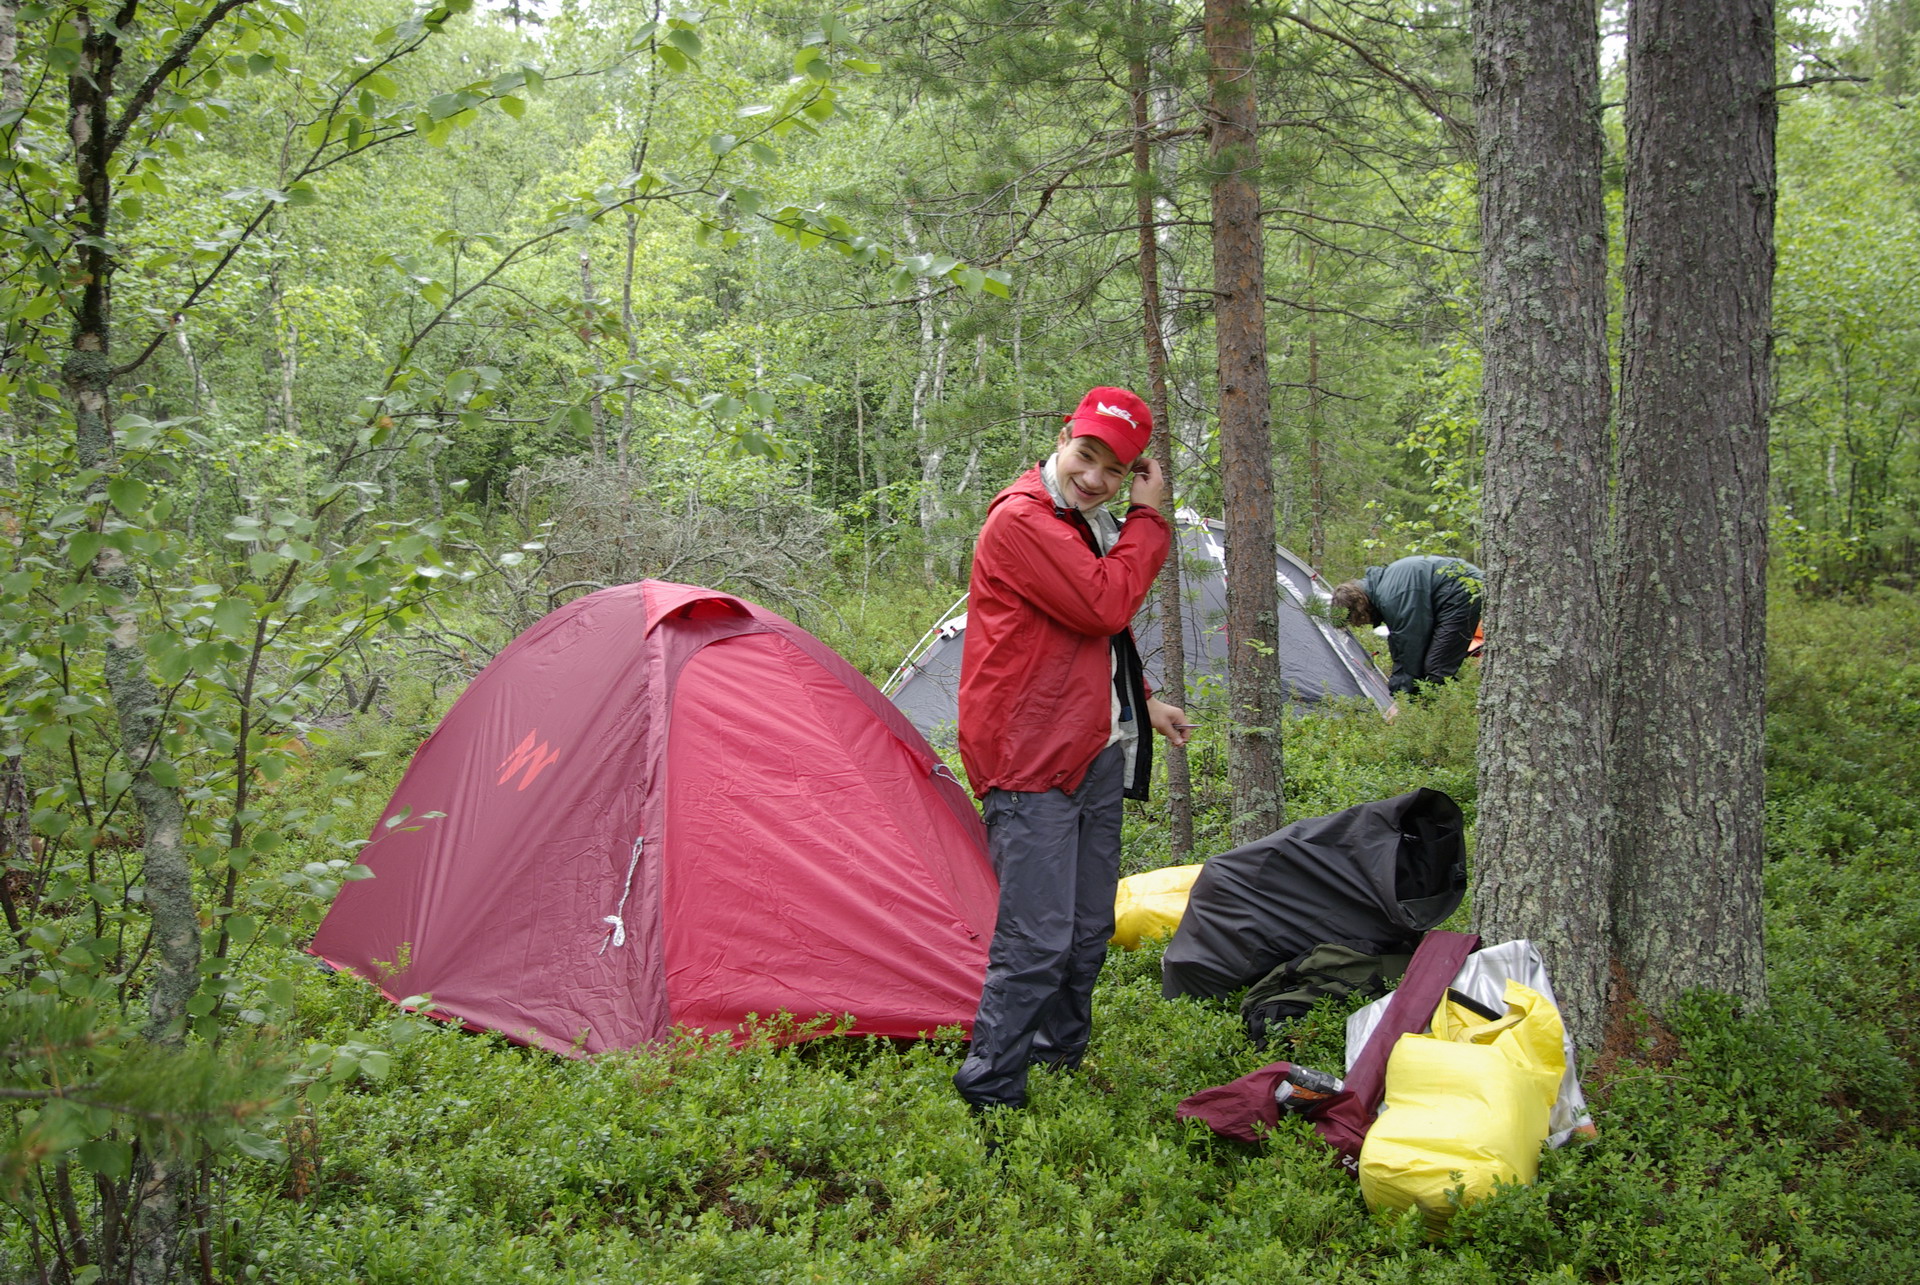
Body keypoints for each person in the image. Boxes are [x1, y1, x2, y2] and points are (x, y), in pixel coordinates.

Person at [952, 386, 1191, 1112]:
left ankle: (1057, 1058)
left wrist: (1142, 698)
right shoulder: (1022, 519)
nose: (1095, 477)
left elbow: (1087, 633)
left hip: (1092, 746)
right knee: (1037, 938)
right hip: (1029, 756)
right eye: (1086, 456)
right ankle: (991, 1091)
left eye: (1115, 470)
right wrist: (1149, 517)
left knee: (1088, 928)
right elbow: (1103, 603)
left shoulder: (1083, 520)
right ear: (1062, 440)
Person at [1331, 555, 1483, 698]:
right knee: (1429, 663)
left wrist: (1401, 696)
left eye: (1357, 620)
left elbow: (1412, 647)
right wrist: (1398, 687)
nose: (1363, 624)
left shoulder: (1392, 599)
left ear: (1359, 608)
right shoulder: (1381, 589)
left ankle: (1444, 710)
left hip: (1463, 591)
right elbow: (1399, 643)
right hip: (1455, 587)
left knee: (1437, 668)